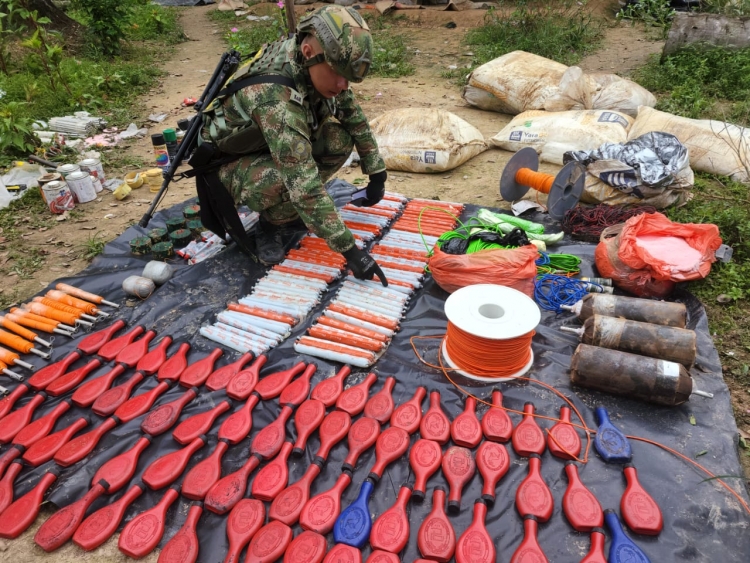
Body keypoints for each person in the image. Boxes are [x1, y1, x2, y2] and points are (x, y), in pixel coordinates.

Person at [200, 5, 388, 285]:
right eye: (338, 73)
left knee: (338, 140)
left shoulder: (311, 61)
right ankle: (272, 223)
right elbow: (303, 182)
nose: (342, 84)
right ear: (310, 53)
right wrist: (350, 252)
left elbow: (352, 116)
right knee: (288, 181)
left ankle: (287, 211)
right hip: (228, 167)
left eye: (348, 76)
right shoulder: (274, 98)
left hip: (266, 146)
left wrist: (377, 173)